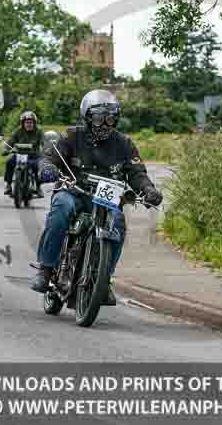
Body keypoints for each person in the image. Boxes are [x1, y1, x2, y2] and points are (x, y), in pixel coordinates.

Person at [32, 90, 163, 305]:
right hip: (74, 191)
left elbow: (137, 173)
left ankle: (104, 280)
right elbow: (50, 157)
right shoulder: (72, 136)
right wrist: (47, 167)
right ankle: (45, 270)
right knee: (61, 209)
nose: (104, 123)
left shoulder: (124, 144)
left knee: (118, 222)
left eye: (110, 118)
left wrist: (148, 190)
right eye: (99, 117)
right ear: (87, 116)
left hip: (106, 199)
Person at [3, 111, 44, 198]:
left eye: (30, 122)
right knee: (9, 162)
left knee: (37, 167)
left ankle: (38, 187)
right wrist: (6, 149)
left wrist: (47, 150)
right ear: (23, 123)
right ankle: (8, 185)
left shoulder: (39, 131)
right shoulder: (18, 131)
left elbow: (44, 142)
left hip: (33, 155)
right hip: (19, 154)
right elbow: (10, 141)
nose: (28, 124)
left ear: (34, 123)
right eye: (26, 122)